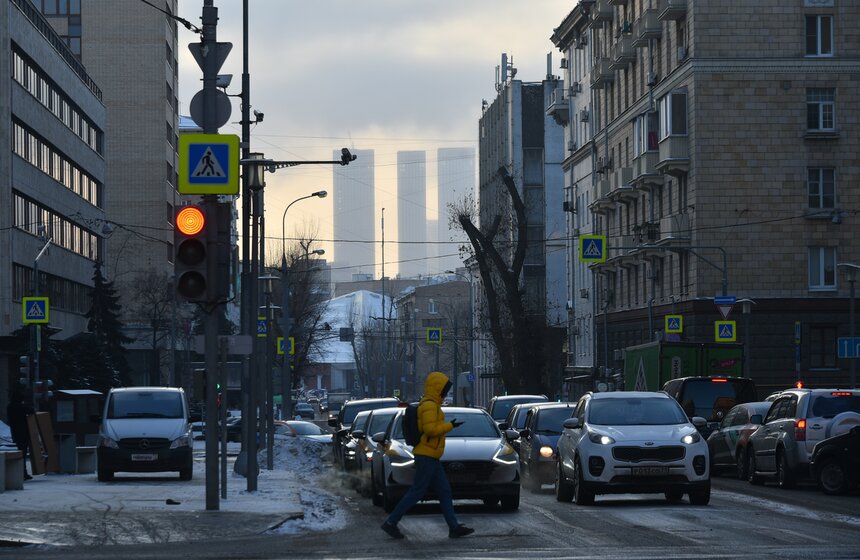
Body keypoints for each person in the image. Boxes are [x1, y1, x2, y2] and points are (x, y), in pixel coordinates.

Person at [381, 371, 474, 540]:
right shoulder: (430, 406)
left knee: (444, 491)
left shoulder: (431, 404)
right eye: (444, 389)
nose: (446, 393)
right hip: (426, 455)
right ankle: (391, 522)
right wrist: (449, 426)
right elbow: (430, 430)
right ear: (438, 389)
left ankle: (454, 527)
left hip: (430, 455)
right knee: (417, 491)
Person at [6, 385, 35, 480]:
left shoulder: (10, 407)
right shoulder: (20, 407)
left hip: (15, 433)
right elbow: (31, 411)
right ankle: (23, 473)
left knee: (19, 453)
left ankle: (20, 473)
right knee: (22, 454)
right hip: (23, 433)